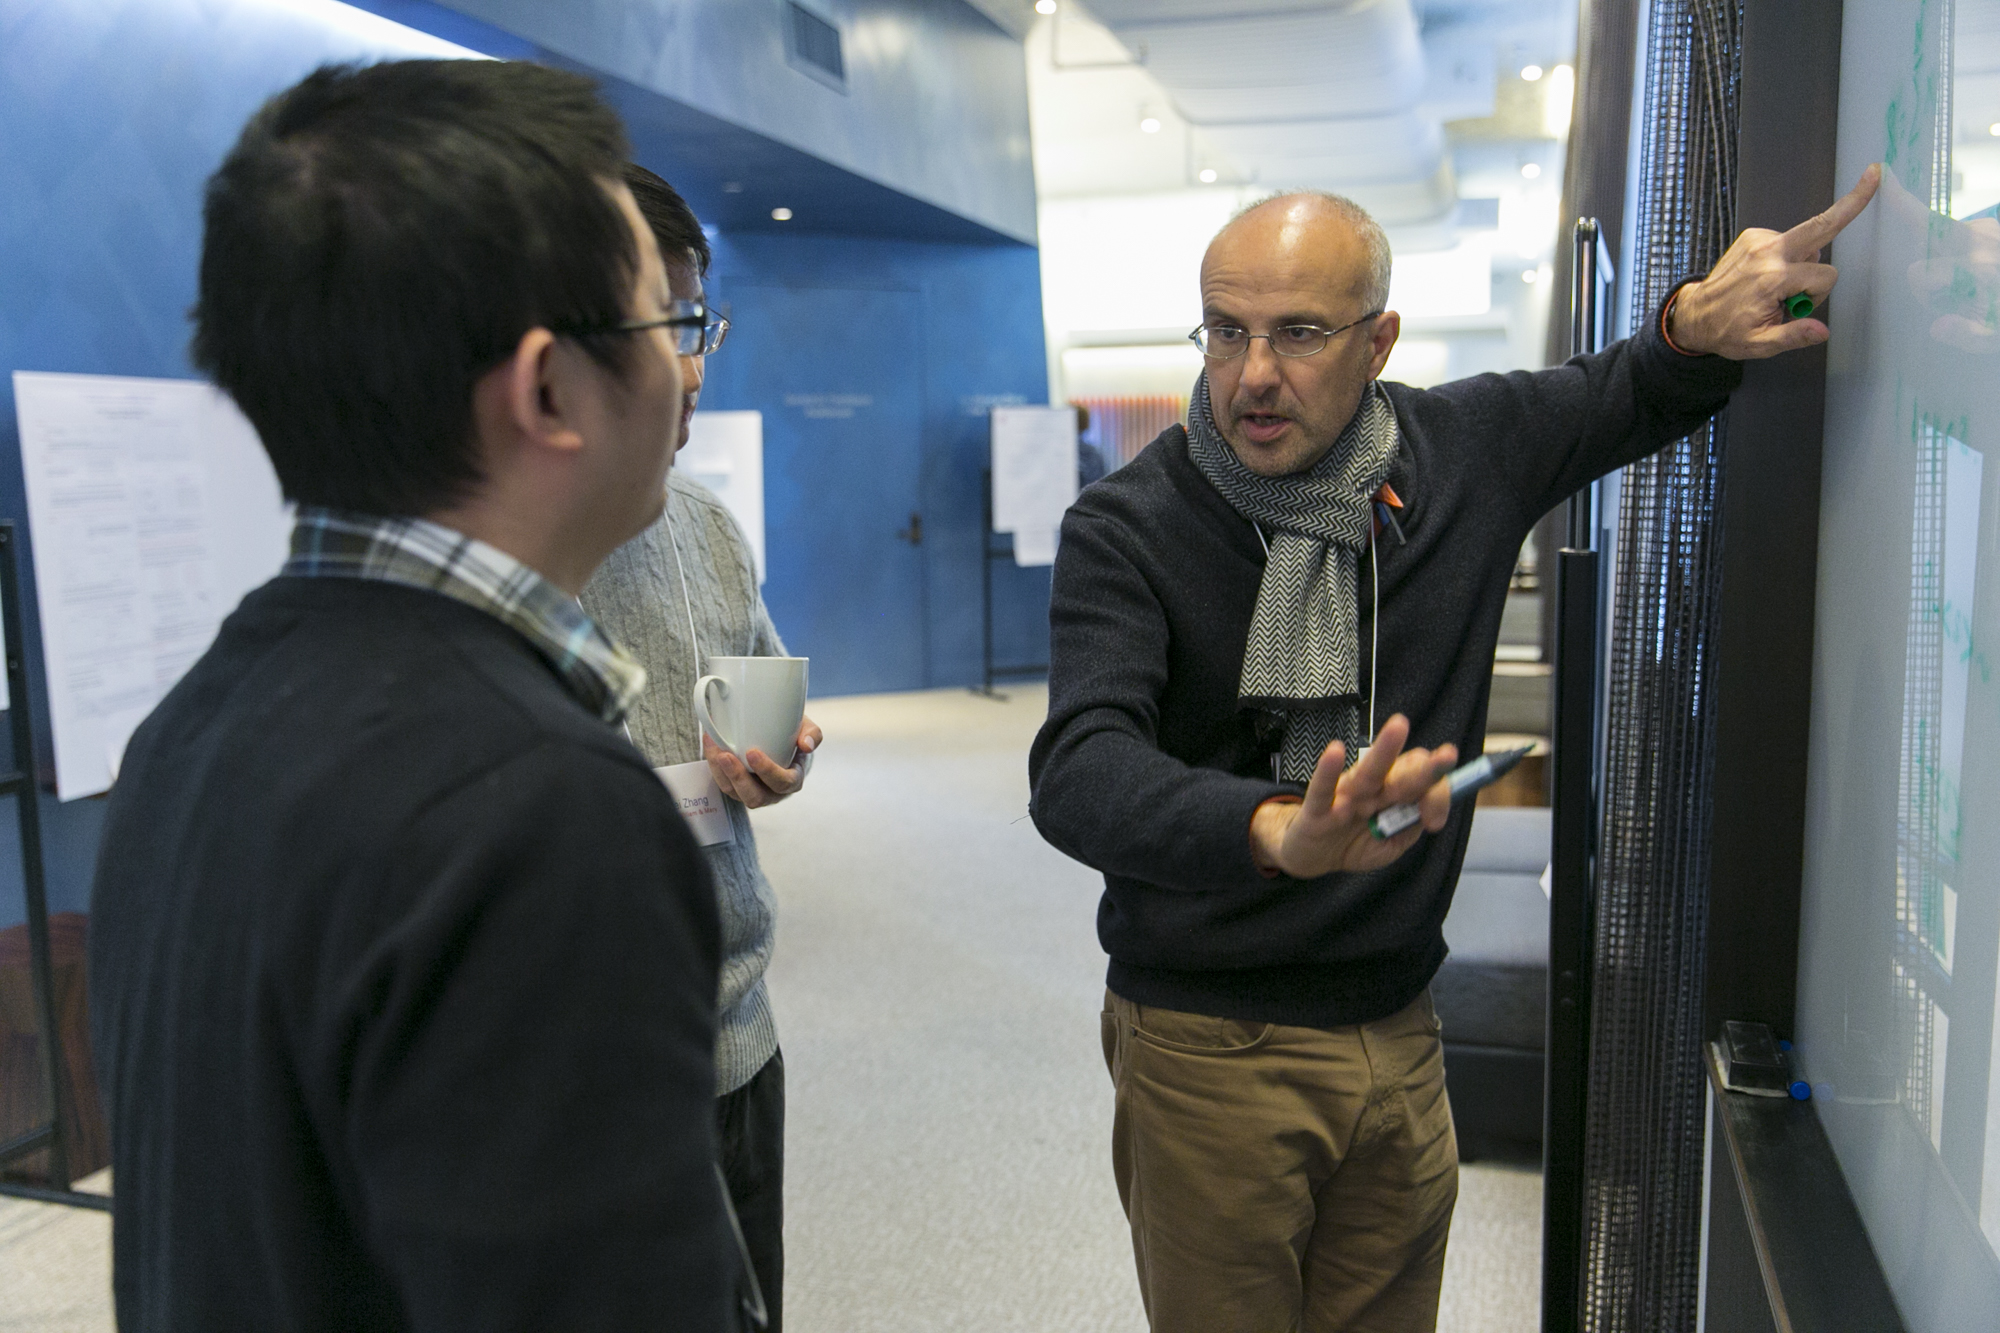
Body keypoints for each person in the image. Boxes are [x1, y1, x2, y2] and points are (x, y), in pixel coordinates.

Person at [1029, 169, 1881, 1333]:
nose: (1251, 374)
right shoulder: (1129, 524)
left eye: (1297, 333)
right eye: (1224, 331)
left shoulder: (1462, 450)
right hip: (1207, 1041)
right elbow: (1079, 768)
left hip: (1397, 1030)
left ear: (1377, 340)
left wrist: (1694, 321)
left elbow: (1624, 388)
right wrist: (1279, 830)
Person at [88, 60, 737, 1331]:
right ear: (551, 388)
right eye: (670, 324)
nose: (687, 370)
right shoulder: (540, 812)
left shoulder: (190, 724)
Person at [579, 163, 821, 1332]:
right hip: (596, 1079)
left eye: (698, 322)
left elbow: (761, 693)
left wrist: (779, 760)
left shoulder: (709, 525)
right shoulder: (502, 565)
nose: (691, 365)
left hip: (740, 1033)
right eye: (664, 323)